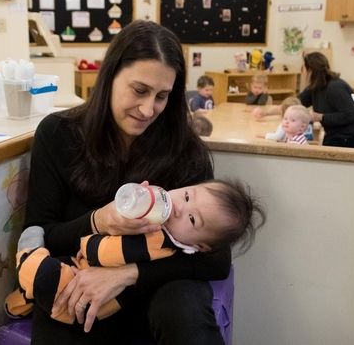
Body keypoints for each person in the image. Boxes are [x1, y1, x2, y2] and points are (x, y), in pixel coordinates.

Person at [23, 20, 232, 344]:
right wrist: (98, 220)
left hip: (155, 289)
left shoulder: (185, 150)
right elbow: (40, 233)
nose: (149, 109)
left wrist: (128, 274)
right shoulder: (57, 134)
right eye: (139, 90)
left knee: (184, 304)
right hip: (80, 279)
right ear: (110, 76)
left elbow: (216, 257)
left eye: (162, 96)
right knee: (61, 301)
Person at [5, 179, 264, 326]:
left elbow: (104, 254)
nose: (177, 209)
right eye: (186, 196)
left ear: (200, 246)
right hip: (77, 265)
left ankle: (28, 253)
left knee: (42, 275)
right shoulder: (158, 218)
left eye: (193, 220)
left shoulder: (159, 241)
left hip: (86, 295)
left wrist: (124, 270)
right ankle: (24, 298)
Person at [299, 52, 354, 148]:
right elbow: (299, 102)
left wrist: (320, 117)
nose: (302, 73)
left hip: (350, 138)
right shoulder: (316, 86)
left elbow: (349, 115)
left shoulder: (335, 87)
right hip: (335, 134)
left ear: (311, 70)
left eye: (303, 69)